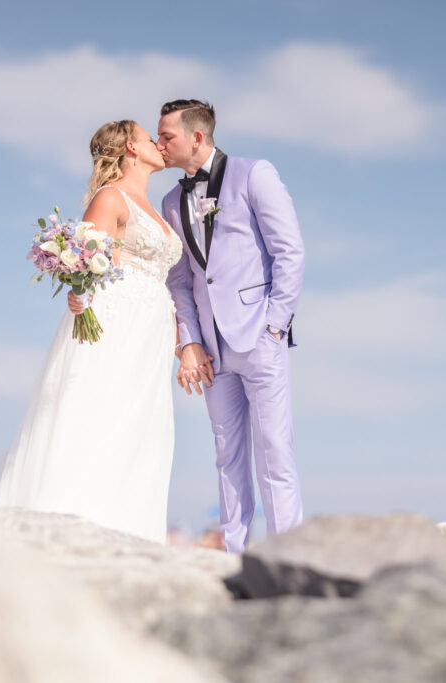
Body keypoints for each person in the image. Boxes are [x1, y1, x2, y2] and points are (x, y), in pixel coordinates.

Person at [0, 120, 184, 544]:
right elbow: (88, 265)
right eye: (148, 137)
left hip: (152, 325)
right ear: (131, 149)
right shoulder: (110, 197)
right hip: (117, 320)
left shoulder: (155, 207)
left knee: (141, 424)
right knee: (102, 410)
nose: (158, 142)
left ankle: (131, 530)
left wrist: (180, 344)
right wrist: (77, 296)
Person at [159, 99, 305, 553]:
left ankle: (286, 555)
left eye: (167, 137)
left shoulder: (254, 173)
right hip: (212, 352)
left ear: (196, 138)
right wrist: (191, 341)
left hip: (260, 335)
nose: (159, 144)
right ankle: (235, 557)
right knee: (227, 456)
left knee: (274, 451)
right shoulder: (170, 201)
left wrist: (275, 327)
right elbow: (181, 281)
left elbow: (290, 253)